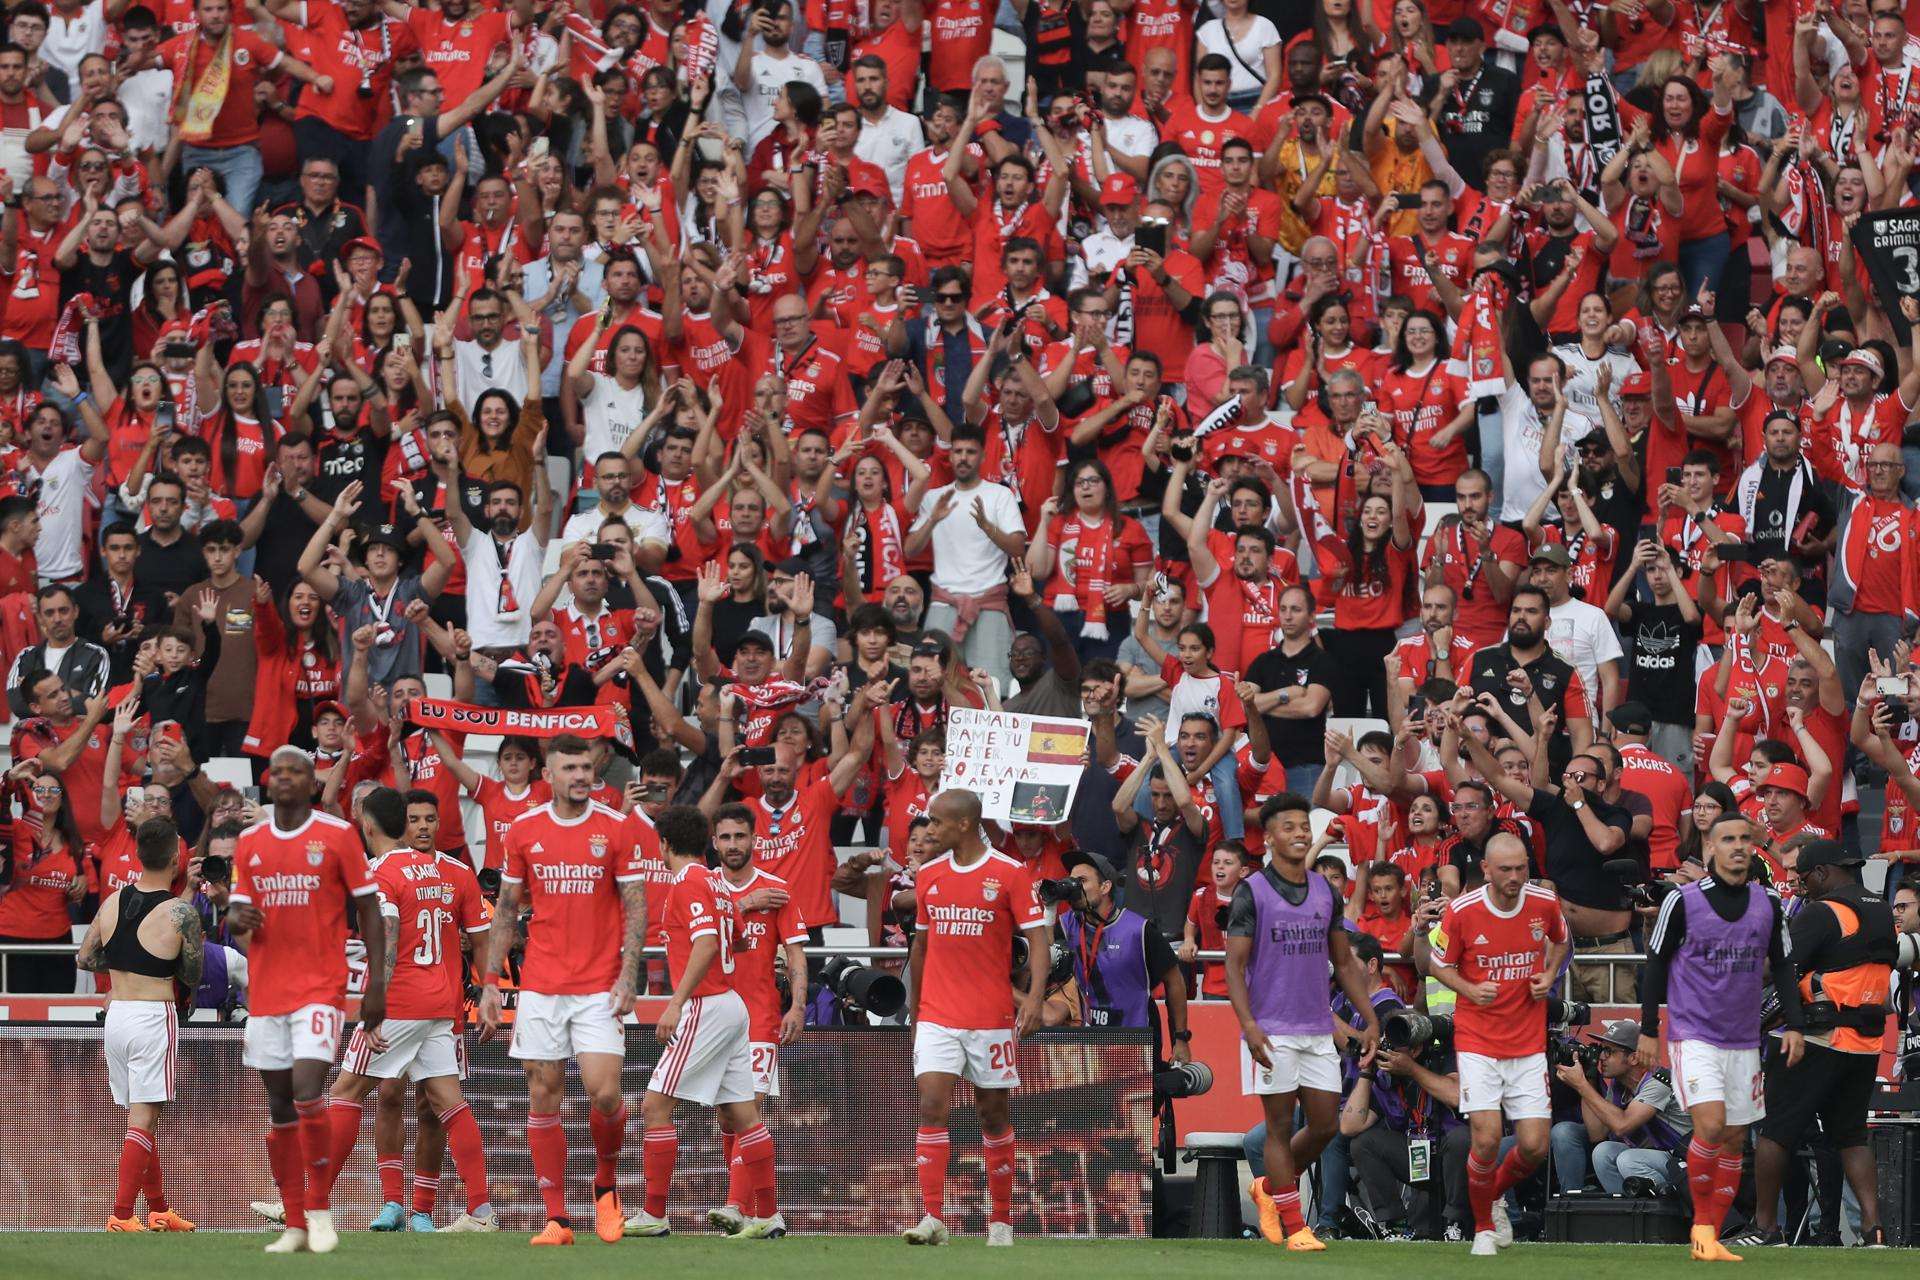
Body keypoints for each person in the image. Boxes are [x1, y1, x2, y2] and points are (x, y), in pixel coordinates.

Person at [478, 734, 646, 1248]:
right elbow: (506, 911)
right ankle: (557, 1219)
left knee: (605, 1091)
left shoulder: (617, 829)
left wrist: (628, 974)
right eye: (568, 767)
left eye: (585, 766)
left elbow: (636, 906)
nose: (579, 775)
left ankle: (606, 1185)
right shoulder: (524, 830)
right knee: (543, 1093)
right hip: (543, 985)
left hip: (598, 985)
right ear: (547, 775)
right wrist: (489, 981)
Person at [226, 746, 387, 1255]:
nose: (288, 778)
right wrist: (237, 921)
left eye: (298, 771)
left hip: (320, 986)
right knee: (278, 1104)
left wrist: (378, 982)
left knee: (306, 1086)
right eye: (280, 772)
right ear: (269, 782)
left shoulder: (338, 836)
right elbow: (237, 911)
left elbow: (369, 911)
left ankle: (320, 1210)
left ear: (312, 783)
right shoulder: (250, 842)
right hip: (268, 989)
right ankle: (294, 1223)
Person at [323, 787, 496, 1233]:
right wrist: (488, 988)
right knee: (447, 1102)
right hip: (441, 1002)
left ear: (366, 823)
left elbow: (389, 929)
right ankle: (479, 1210)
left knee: (346, 1092)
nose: (423, 826)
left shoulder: (383, 871)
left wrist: (373, 1004)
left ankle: (310, 1201)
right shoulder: (447, 872)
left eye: (429, 819)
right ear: (404, 823)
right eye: (414, 819)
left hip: (400, 1000)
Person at [1637, 810, 1801, 1261]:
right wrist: (1650, 1029)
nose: (1736, 847)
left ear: (1752, 846)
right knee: (1709, 1126)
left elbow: (1785, 965)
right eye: (1726, 839)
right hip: (1694, 1034)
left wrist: (1796, 1025)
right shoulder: (1682, 901)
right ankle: (1701, 1230)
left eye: (1744, 839)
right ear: (1709, 847)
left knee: (1732, 1139)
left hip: (1744, 1041)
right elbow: (1655, 963)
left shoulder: (1767, 903)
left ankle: (1709, 1234)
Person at [622, 805, 784, 1240]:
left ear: (664, 845)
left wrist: (676, 1002)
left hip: (706, 1004)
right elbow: (739, 942)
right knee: (743, 1114)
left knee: (654, 1108)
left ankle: (654, 1214)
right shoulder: (716, 882)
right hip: (732, 1004)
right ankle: (768, 1214)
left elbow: (709, 942)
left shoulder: (688, 883)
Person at [1227, 792, 1379, 1253]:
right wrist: (1249, 1026)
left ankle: (1269, 1189)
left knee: (1324, 1127)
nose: (1299, 834)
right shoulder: (1250, 891)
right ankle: (1295, 1227)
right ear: (1270, 837)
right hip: (1271, 1027)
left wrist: (1369, 1018)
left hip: (1317, 1027)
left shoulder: (1325, 891)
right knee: (1276, 1127)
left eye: (1303, 827)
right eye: (1289, 827)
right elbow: (1234, 966)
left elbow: (1346, 965)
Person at [903, 788, 1049, 1247]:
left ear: (964, 825)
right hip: (938, 1014)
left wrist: (1033, 998)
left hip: (990, 1016)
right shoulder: (928, 875)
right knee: (930, 1104)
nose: (930, 831)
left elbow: (1039, 940)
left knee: (992, 1115)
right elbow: (921, 945)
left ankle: (1000, 1221)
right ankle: (932, 1217)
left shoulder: (1009, 874)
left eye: (937, 823)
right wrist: (916, 1008)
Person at [1746, 839, 1898, 1248]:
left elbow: (1775, 970)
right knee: (1850, 1136)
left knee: (1775, 1130)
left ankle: (1765, 1228)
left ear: (1822, 873)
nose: (1800, 886)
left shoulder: (1822, 911)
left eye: (1802, 877)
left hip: (1817, 1037)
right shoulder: (1883, 910)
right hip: (1865, 1044)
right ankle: (1874, 1231)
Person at [1424, 832, 1567, 1257]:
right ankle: (1484, 1227)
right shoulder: (1463, 911)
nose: (1515, 877)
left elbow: (1561, 941)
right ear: (1485, 869)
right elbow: (1438, 963)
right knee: (1485, 1139)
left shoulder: (1543, 903)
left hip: (1527, 1043)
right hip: (1478, 1041)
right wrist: (1469, 988)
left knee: (1535, 1146)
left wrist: (1549, 974)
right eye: (1505, 869)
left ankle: (1492, 1195)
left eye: (1522, 868)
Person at [75, 815, 201, 1233]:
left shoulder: (112, 901)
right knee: (144, 1118)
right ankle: (122, 1215)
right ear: (175, 859)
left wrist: (125, 960)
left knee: (140, 1116)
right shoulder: (180, 912)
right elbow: (192, 973)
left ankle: (159, 1208)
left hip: (117, 1015)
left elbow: (86, 957)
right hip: (152, 1015)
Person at [705, 802, 805, 1236]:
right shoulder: (703, 887)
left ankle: (734, 1204)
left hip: (759, 1018)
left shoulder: (778, 889)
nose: (733, 845)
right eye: (725, 837)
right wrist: (744, 905)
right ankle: (767, 1214)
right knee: (729, 1119)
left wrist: (797, 1005)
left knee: (750, 1112)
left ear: (754, 840)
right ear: (714, 842)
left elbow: (797, 956)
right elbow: (695, 938)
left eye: (740, 836)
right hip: (712, 1019)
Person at [1058, 850, 1191, 1047]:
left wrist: (1180, 1039)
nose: (1074, 887)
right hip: (1085, 1043)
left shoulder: (1139, 929)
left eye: (1082, 881)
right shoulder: (1065, 925)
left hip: (1134, 1041)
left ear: (1105, 887)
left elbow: (1174, 981)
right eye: (1071, 881)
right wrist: (1049, 909)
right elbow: (1041, 959)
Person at [1554, 1018, 1692, 1195]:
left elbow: (1621, 1126)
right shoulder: (1619, 1084)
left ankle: (1665, 1209)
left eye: (1609, 1051)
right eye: (1601, 1049)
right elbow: (1597, 1134)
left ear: (1634, 1058)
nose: (1602, 1056)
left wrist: (1581, 1085)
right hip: (1657, 1155)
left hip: (1684, 1159)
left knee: (1628, 1160)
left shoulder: (1658, 1082)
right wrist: (1588, 1078)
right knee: (1603, 1152)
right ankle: (1627, 1214)